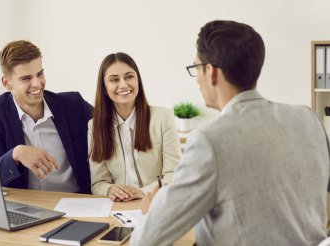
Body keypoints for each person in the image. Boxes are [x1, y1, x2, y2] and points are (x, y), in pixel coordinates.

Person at [130, 20, 330, 245]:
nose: (196, 79)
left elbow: (146, 240)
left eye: (196, 68)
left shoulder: (210, 140)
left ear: (211, 71)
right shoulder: (308, 118)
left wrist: (152, 211)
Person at [0, 40, 93, 194]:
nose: (37, 84)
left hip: (78, 201)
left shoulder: (74, 105)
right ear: (7, 83)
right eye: (26, 78)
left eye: (40, 74)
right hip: (28, 206)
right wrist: (16, 154)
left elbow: (112, 123)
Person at [88, 52, 181, 202]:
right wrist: (110, 189)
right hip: (119, 208)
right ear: (104, 88)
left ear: (138, 80)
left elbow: (175, 174)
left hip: (157, 202)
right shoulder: (94, 126)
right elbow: (98, 183)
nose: (123, 85)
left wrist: (143, 192)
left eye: (129, 76)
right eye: (114, 80)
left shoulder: (163, 117)